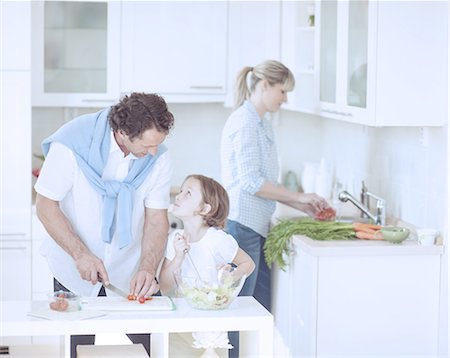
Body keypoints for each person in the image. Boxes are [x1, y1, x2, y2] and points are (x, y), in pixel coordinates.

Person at [34, 92, 174, 357]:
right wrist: (80, 254)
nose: (154, 152)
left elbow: (156, 219)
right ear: (123, 132)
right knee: (73, 349)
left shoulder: (158, 156)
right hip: (73, 269)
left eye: (158, 144)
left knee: (151, 347)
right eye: (147, 145)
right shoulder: (72, 143)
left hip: (130, 273)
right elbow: (45, 205)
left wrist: (147, 266)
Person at [220, 59, 333, 311]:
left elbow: (264, 183)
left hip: (255, 227)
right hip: (242, 226)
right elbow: (251, 182)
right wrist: (299, 197)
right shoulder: (245, 122)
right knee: (242, 309)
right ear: (264, 85)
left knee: (258, 307)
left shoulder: (263, 123)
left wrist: (300, 204)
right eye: (282, 91)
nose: (285, 99)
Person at [159, 174, 255, 357]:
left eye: (188, 193)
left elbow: (248, 264)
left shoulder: (217, 240)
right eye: (180, 191)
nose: (178, 196)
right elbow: (164, 287)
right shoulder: (174, 239)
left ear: (204, 208)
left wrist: (232, 276)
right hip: (179, 325)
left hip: (211, 328)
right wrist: (178, 257)